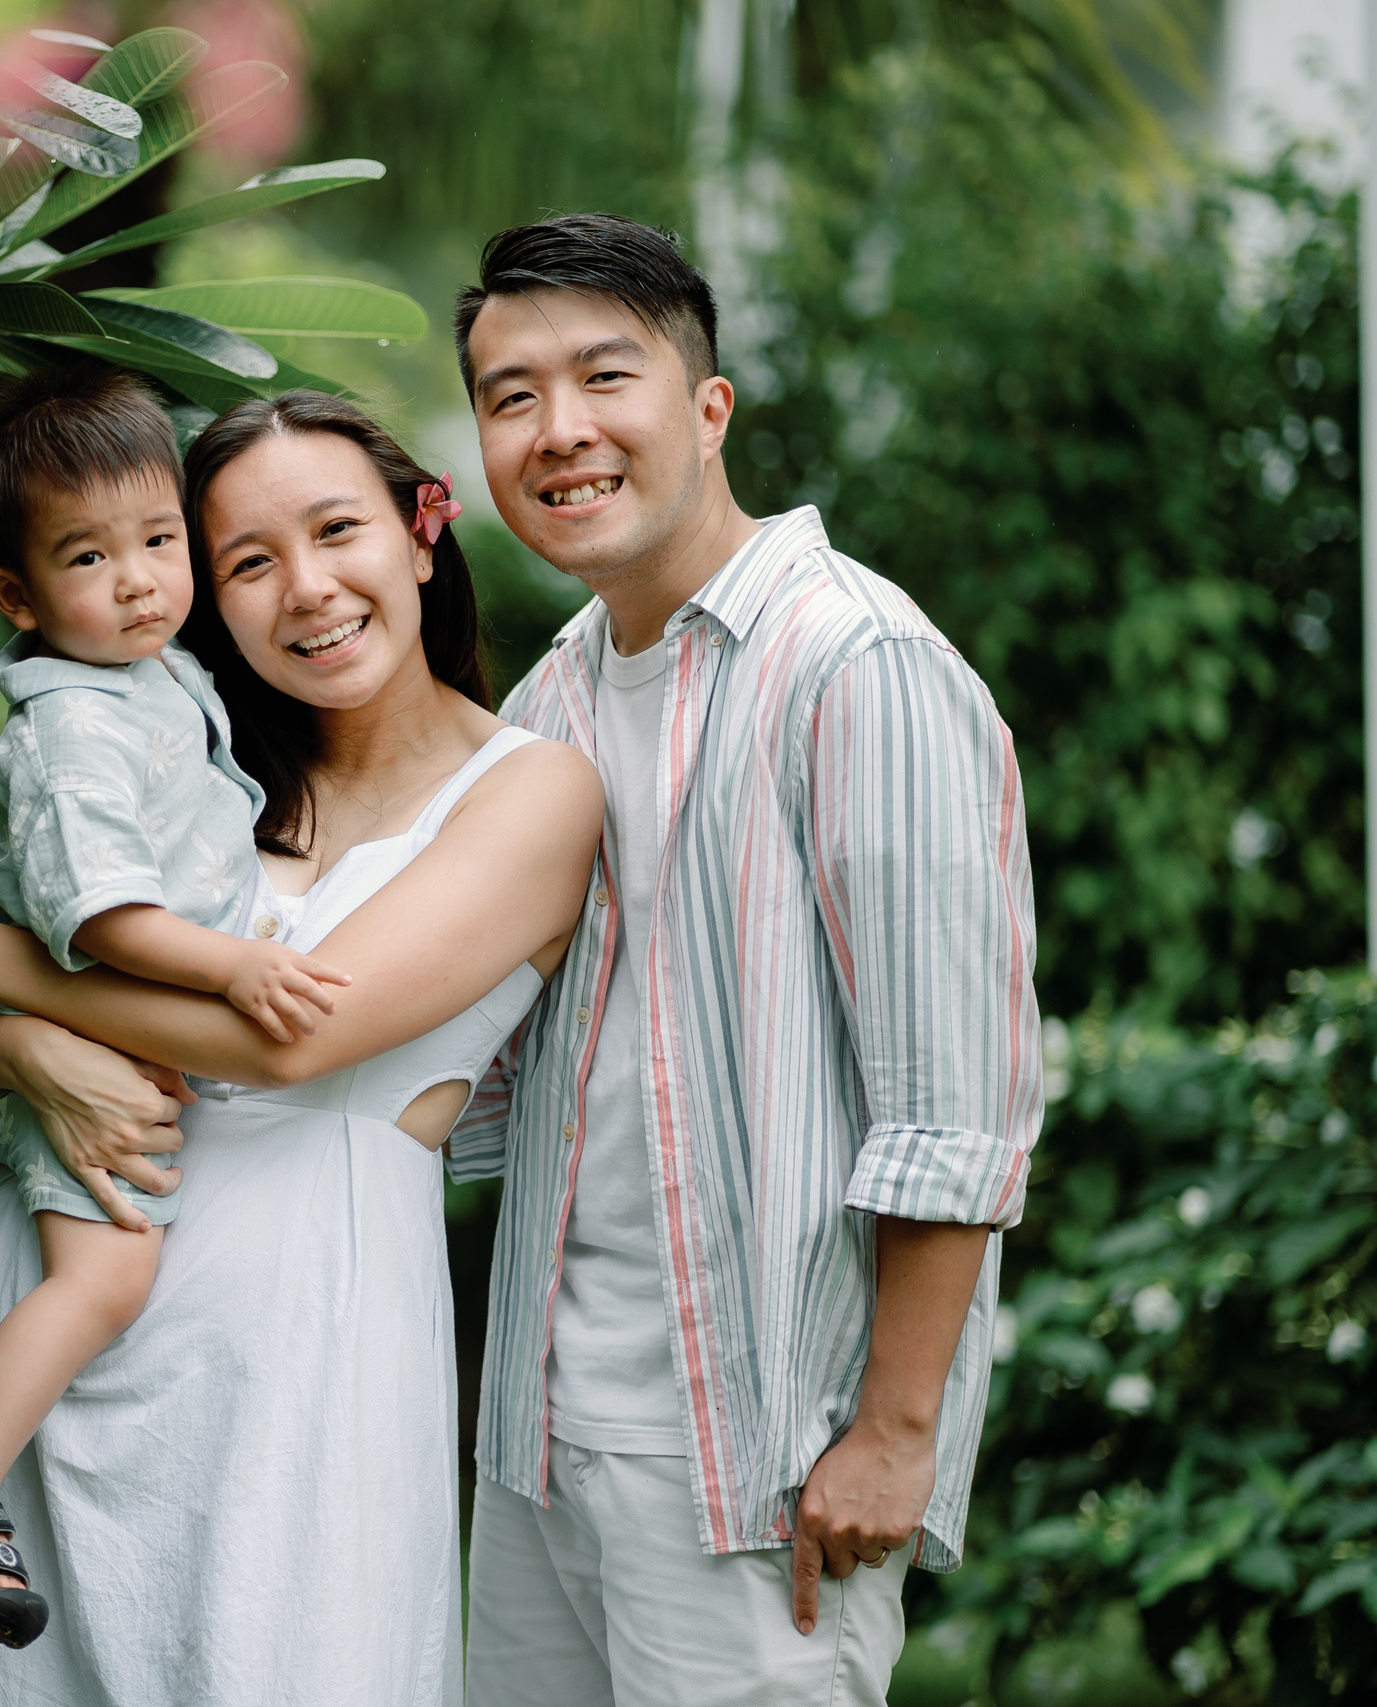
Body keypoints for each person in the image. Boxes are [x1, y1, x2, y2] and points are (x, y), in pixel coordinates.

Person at [0, 392, 601, 1705]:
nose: (306, 587)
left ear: (422, 535)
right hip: (39, 1310)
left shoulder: (532, 791)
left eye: (337, 530)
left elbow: (290, 1042)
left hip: (300, 1354)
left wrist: (5, 981)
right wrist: (20, 1040)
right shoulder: (169, 767)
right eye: (252, 560)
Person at [444, 213, 1042, 1706]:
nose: (558, 430)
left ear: (708, 409)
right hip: (543, 1438)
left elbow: (956, 1104)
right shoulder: (550, 699)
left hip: (756, 1464)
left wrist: (897, 1430)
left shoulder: (857, 665)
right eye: (510, 396)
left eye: (604, 377)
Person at [0, 368, 353, 1648]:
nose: (140, 582)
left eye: (161, 543)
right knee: (106, 1276)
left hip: (53, 1062)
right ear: (14, 594)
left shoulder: (147, 677)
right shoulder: (75, 727)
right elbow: (102, 915)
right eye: (90, 559)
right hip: (100, 1049)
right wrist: (232, 966)